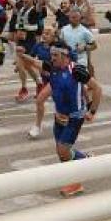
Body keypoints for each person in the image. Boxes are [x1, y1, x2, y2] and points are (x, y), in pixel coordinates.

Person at [36, 42, 102, 198]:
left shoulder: (76, 70)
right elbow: (35, 64)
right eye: (51, 55)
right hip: (59, 116)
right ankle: (83, 162)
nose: (52, 59)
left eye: (55, 55)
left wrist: (92, 111)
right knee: (62, 153)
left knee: (63, 150)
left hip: (74, 117)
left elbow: (97, 89)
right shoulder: (53, 69)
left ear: (65, 56)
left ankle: (76, 182)